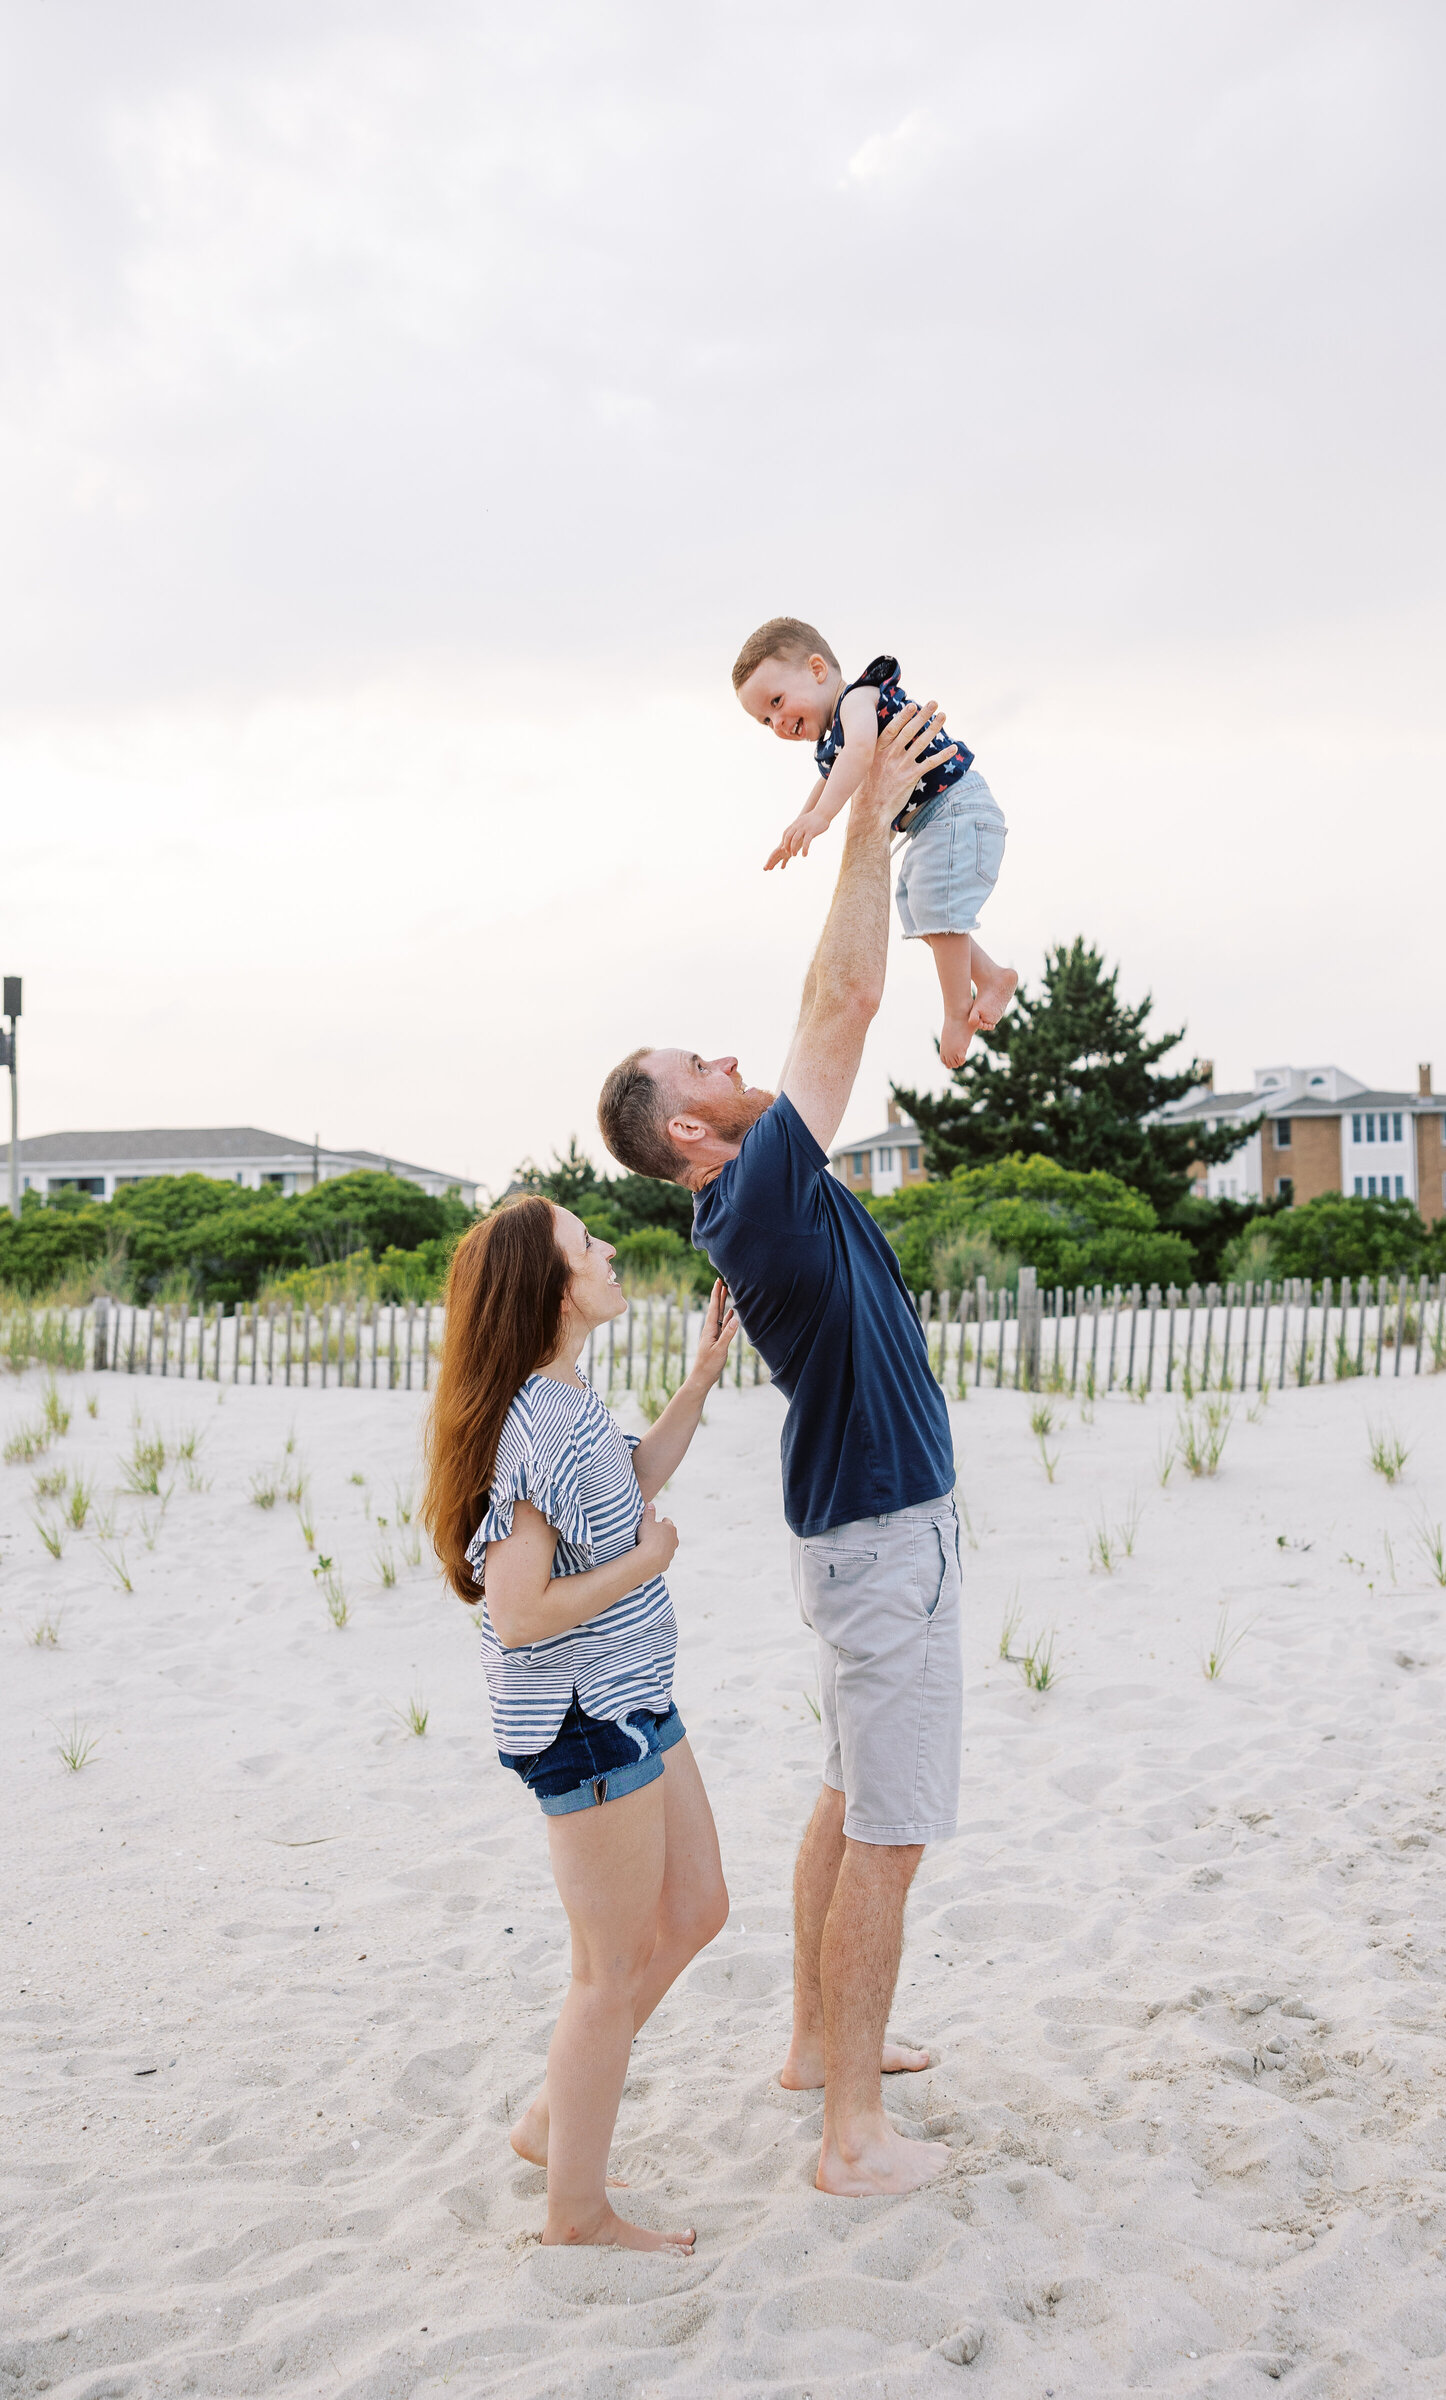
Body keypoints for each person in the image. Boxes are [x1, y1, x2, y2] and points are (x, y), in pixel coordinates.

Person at [597, 699, 962, 2198]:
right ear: (689, 1133)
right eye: (703, 1066)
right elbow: (845, 1001)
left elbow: (824, 1017)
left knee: (842, 1794)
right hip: (876, 1530)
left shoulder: (762, 1187)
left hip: (869, 1524)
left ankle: (821, 2049)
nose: (733, 1058)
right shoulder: (749, 1197)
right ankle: (849, 2138)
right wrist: (867, 809)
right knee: (889, 1827)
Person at [420, 1196, 738, 2252]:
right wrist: (646, 1565)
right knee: (603, 1976)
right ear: (554, 1288)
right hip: (584, 1720)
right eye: (585, 1244)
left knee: (696, 1908)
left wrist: (697, 1382)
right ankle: (576, 2214)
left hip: (636, 1693)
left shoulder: (568, 1398)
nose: (606, 1250)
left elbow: (630, 1481)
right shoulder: (536, 1423)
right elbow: (517, 1614)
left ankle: (552, 2117)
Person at [733, 615, 1016, 1070]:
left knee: (933, 902)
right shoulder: (833, 739)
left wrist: (822, 816)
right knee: (914, 903)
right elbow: (833, 777)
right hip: (937, 819)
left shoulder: (858, 698)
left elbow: (862, 752)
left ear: (818, 670)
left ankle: (955, 1012)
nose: (777, 722)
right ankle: (992, 977)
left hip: (957, 807)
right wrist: (801, 822)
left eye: (778, 701)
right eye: (766, 719)